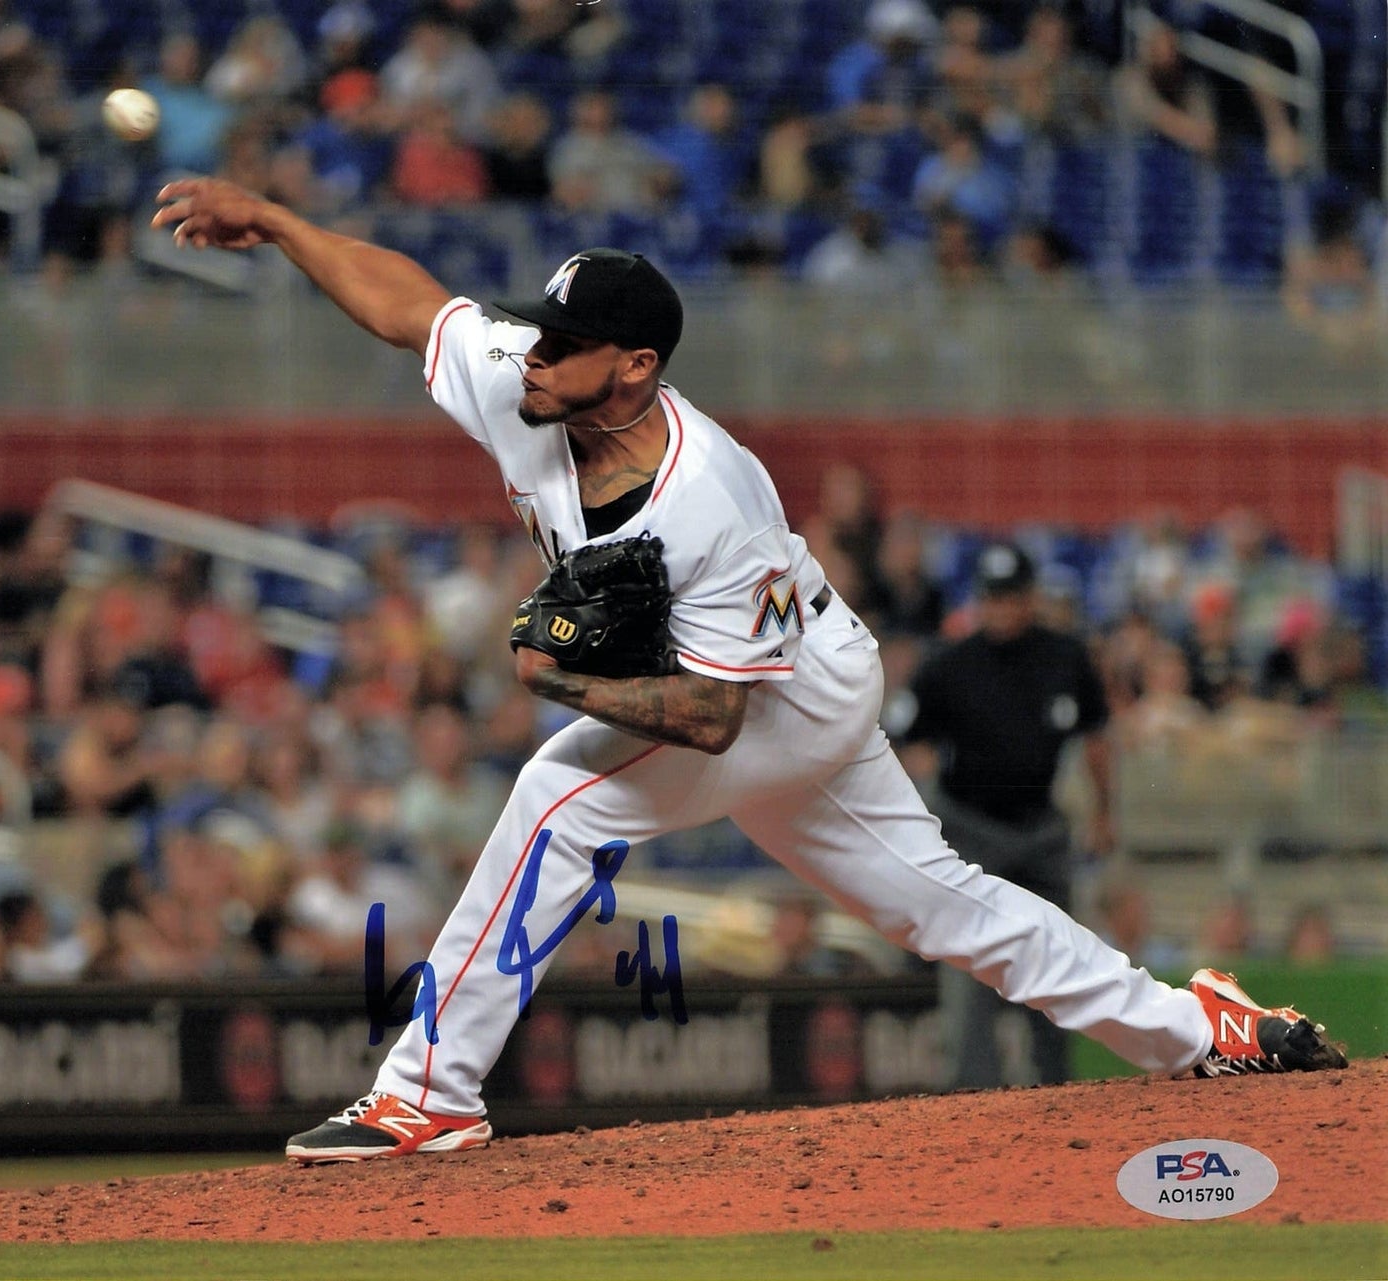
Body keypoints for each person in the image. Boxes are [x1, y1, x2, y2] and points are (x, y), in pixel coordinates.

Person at [152, 177, 1348, 1163]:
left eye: (561, 344)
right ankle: (1201, 1033)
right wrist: (279, 223)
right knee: (937, 904)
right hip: (761, 685)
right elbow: (413, 309)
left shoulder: (709, 497)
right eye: (536, 332)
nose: (531, 355)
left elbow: (715, 718)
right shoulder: (529, 381)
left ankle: (427, 1094)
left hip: (784, 692)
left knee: (556, 797)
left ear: (634, 366)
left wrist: (558, 681)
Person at [888, 542, 1115, 1089]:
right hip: (969, 831)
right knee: (971, 966)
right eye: (993, 598)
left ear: (1031, 598)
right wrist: (921, 805)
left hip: (1041, 828)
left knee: (1056, 958)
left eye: (1012, 597)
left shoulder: (1065, 656)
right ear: (979, 601)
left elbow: (1096, 737)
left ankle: (1056, 1086)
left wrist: (1105, 811)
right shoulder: (950, 662)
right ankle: (973, 1092)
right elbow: (901, 736)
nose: (1002, 608)